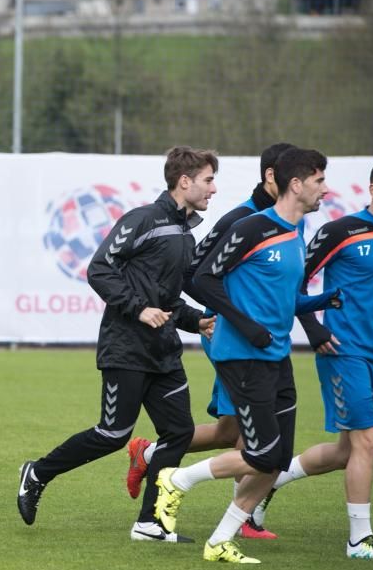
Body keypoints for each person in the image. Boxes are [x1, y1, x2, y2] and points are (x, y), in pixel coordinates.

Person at [16, 146, 217, 542]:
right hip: (125, 348)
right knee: (114, 434)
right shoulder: (143, 218)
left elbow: (170, 299)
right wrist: (140, 309)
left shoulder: (184, 232)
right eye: (209, 180)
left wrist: (199, 321)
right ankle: (38, 472)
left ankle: (149, 522)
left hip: (164, 352)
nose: (214, 189)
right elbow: (100, 269)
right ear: (185, 181)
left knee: (179, 433)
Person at [156, 147, 340, 564]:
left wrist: (325, 301)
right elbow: (203, 278)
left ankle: (221, 539)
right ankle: (177, 478)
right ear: (296, 184)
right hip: (241, 354)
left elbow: (282, 297)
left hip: (275, 355)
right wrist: (245, 325)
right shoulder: (252, 226)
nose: (325, 189)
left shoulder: (296, 233)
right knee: (260, 454)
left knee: (275, 460)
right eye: (319, 181)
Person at [248, 155, 373, 561]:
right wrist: (315, 330)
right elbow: (294, 283)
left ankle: (274, 480)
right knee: (369, 442)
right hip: (341, 350)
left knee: (347, 451)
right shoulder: (340, 231)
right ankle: (359, 540)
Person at [126, 142, 294, 540]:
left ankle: (149, 454)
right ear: (275, 177)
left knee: (230, 430)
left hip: (253, 340)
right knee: (254, 442)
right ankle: (239, 517)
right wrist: (228, 318)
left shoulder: (282, 221)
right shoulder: (243, 220)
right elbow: (196, 275)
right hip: (233, 339)